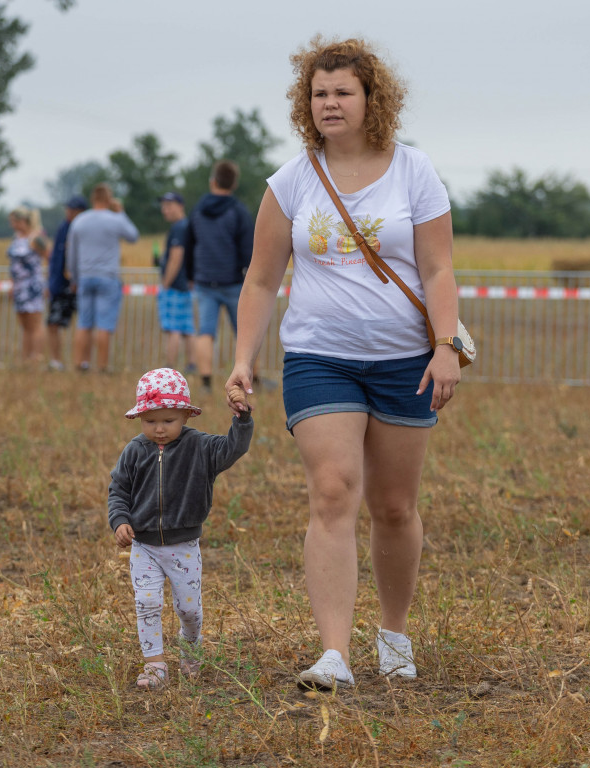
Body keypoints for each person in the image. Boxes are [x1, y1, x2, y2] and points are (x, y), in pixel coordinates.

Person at [224, 37, 461, 690]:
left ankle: (393, 630)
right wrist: (243, 358)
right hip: (318, 359)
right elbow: (261, 280)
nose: (329, 103)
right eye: (319, 93)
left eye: (342, 92)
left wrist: (446, 346)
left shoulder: (414, 170)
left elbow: (439, 267)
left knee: (393, 506)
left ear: (370, 99)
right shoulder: (292, 180)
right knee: (332, 491)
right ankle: (333, 653)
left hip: (404, 363)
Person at [108, 368, 253, 690]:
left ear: (186, 415)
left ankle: (191, 645)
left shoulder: (201, 448)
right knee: (147, 603)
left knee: (189, 610)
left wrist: (242, 420)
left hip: (183, 546)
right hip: (143, 546)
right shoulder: (135, 450)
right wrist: (120, 521)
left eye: (168, 421)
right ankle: (155, 666)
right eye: (150, 421)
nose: (159, 429)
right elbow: (118, 491)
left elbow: (234, 449)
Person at [185, 160, 254, 393]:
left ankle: (205, 382)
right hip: (233, 281)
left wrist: (190, 273)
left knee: (205, 332)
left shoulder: (197, 210)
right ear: (234, 183)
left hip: (204, 281)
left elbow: (189, 243)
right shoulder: (238, 211)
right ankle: (254, 380)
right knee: (246, 333)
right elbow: (248, 248)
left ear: (212, 181)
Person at [66, 183, 138, 372]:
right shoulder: (115, 219)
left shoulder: (80, 220)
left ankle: (81, 363)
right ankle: (103, 366)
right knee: (104, 324)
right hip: (108, 277)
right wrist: (121, 211)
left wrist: (74, 278)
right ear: (109, 199)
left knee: (84, 323)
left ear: (92, 199)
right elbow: (133, 236)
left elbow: (71, 252)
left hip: (85, 276)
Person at [46, 195, 87, 371]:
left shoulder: (86, 228)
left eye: (73, 209)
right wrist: (51, 283)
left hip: (81, 283)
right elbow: (56, 258)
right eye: (68, 209)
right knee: (53, 323)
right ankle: (56, 362)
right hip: (60, 285)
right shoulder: (63, 227)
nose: (68, 212)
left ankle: (83, 361)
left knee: (85, 323)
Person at [6, 206, 50, 366]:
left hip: (32, 285)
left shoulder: (37, 237)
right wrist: (11, 284)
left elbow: (49, 257)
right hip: (18, 286)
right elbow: (13, 264)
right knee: (24, 323)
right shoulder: (15, 238)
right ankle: (25, 358)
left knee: (35, 322)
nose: (13, 225)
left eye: (15, 222)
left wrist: (48, 282)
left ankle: (37, 357)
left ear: (24, 221)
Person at [157, 192, 196, 370]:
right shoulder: (187, 226)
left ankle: (169, 366)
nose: (165, 209)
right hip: (186, 285)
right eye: (163, 206)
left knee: (172, 328)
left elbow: (176, 257)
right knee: (187, 328)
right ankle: (191, 364)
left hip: (175, 285)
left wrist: (166, 283)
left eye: (169, 205)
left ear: (181, 206)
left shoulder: (179, 228)